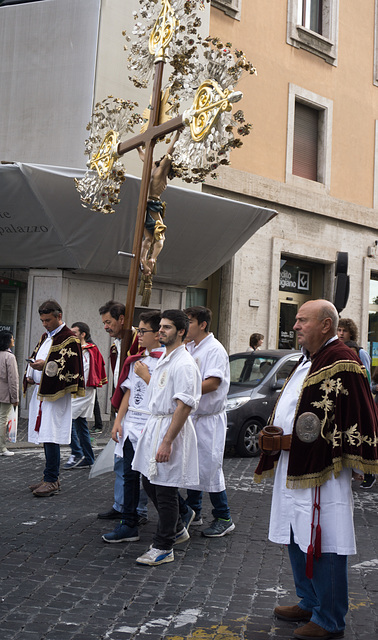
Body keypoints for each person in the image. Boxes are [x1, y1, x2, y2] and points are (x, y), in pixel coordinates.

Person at [254, 299, 378, 640]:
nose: (295, 326)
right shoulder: (306, 361)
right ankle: (309, 601)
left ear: (325, 325)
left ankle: (329, 619)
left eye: (301, 320)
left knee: (325, 540)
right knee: (295, 533)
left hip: (323, 469)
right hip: (292, 465)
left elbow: (361, 413)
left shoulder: (342, 361)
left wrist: (353, 460)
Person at [132, 309, 202, 566]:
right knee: (149, 481)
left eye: (167, 327)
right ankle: (178, 527)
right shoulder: (165, 358)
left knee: (165, 489)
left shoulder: (184, 363)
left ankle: (164, 546)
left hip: (170, 428)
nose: (160, 331)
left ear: (181, 332)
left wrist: (167, 441)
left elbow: (184, 405)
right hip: (156, 424)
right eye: (160, 327)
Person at [102, 310, 164, 543]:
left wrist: (147, 376)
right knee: (129, 476)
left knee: (151, 480)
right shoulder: (138, 360)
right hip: (132, 425)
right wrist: (119, 420)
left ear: (158, 334)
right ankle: (128, 523)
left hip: (152, 424)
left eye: (143, 331)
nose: (138, 335)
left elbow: (167, 394)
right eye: (138, 330)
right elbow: (128, 391)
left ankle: (181, 515)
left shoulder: (169, 361)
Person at [180, 306, 235, 537]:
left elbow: (213, 383)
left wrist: (183, 389)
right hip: (194, 416)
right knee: (194, 465)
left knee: (211, 468)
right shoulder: (190, 347)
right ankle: (194, 510)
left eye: (189, 322)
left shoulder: (214, 349)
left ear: (202, 324)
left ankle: (224, 516)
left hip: (209, 419)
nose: (186, 327)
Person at [24, 300, 85, 497]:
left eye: (48, 320)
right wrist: (31, 371)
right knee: (45, 434)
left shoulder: (69, 338)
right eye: (42, 320)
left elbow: (71, 367)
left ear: (59, 316)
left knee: (51, 436)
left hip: (55, 395)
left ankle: (51, 480)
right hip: (42, 393)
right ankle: (48, 477)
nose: (44, 324)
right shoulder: (46, 336)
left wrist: (45, 366)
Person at [97, 300, 142, 520]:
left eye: (108, 321)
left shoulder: (138, 342)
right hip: (122, 411)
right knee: (120, 462)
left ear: (122, 319)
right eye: (104, 322)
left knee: (136, 464)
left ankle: (137, 509)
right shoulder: (119, 342)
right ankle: (120, 504)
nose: (105, 326)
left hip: (137, 412)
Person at [63, 322, 107, 470]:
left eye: (75, 332)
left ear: (83, 334)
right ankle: (88, 458)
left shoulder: (89, 350)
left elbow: (87, 372)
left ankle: (76, 452)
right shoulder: (75, 349)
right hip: (76, 391)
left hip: (83, 391)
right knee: (81, 425)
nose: (72, 335)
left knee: (66, 420)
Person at [337, 317, 374, 490]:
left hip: (358, 399)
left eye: (344, 330)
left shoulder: (360, 352)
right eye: (339, 330)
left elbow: (365, 378)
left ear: (351, 332)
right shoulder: (335, 350)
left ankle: (368, 472)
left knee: (362, 434)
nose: (341, 333)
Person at [137, 131, 180, 276]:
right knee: (160, 238)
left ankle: (142, 258)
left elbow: (144, 157)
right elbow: (170, 151)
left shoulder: (151, 168)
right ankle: (152, 259)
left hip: (143, 205)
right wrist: (177, 135)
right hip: (153, 205)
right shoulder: (161, 170)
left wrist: (139, 148)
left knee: (148, 238)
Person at [0, 330, 19, 457]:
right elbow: (13, 380)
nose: (13, 340)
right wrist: (15, 397)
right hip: (5, 394)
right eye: (12, 338)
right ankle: (2, 447)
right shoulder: (9, 357)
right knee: (2, 420)